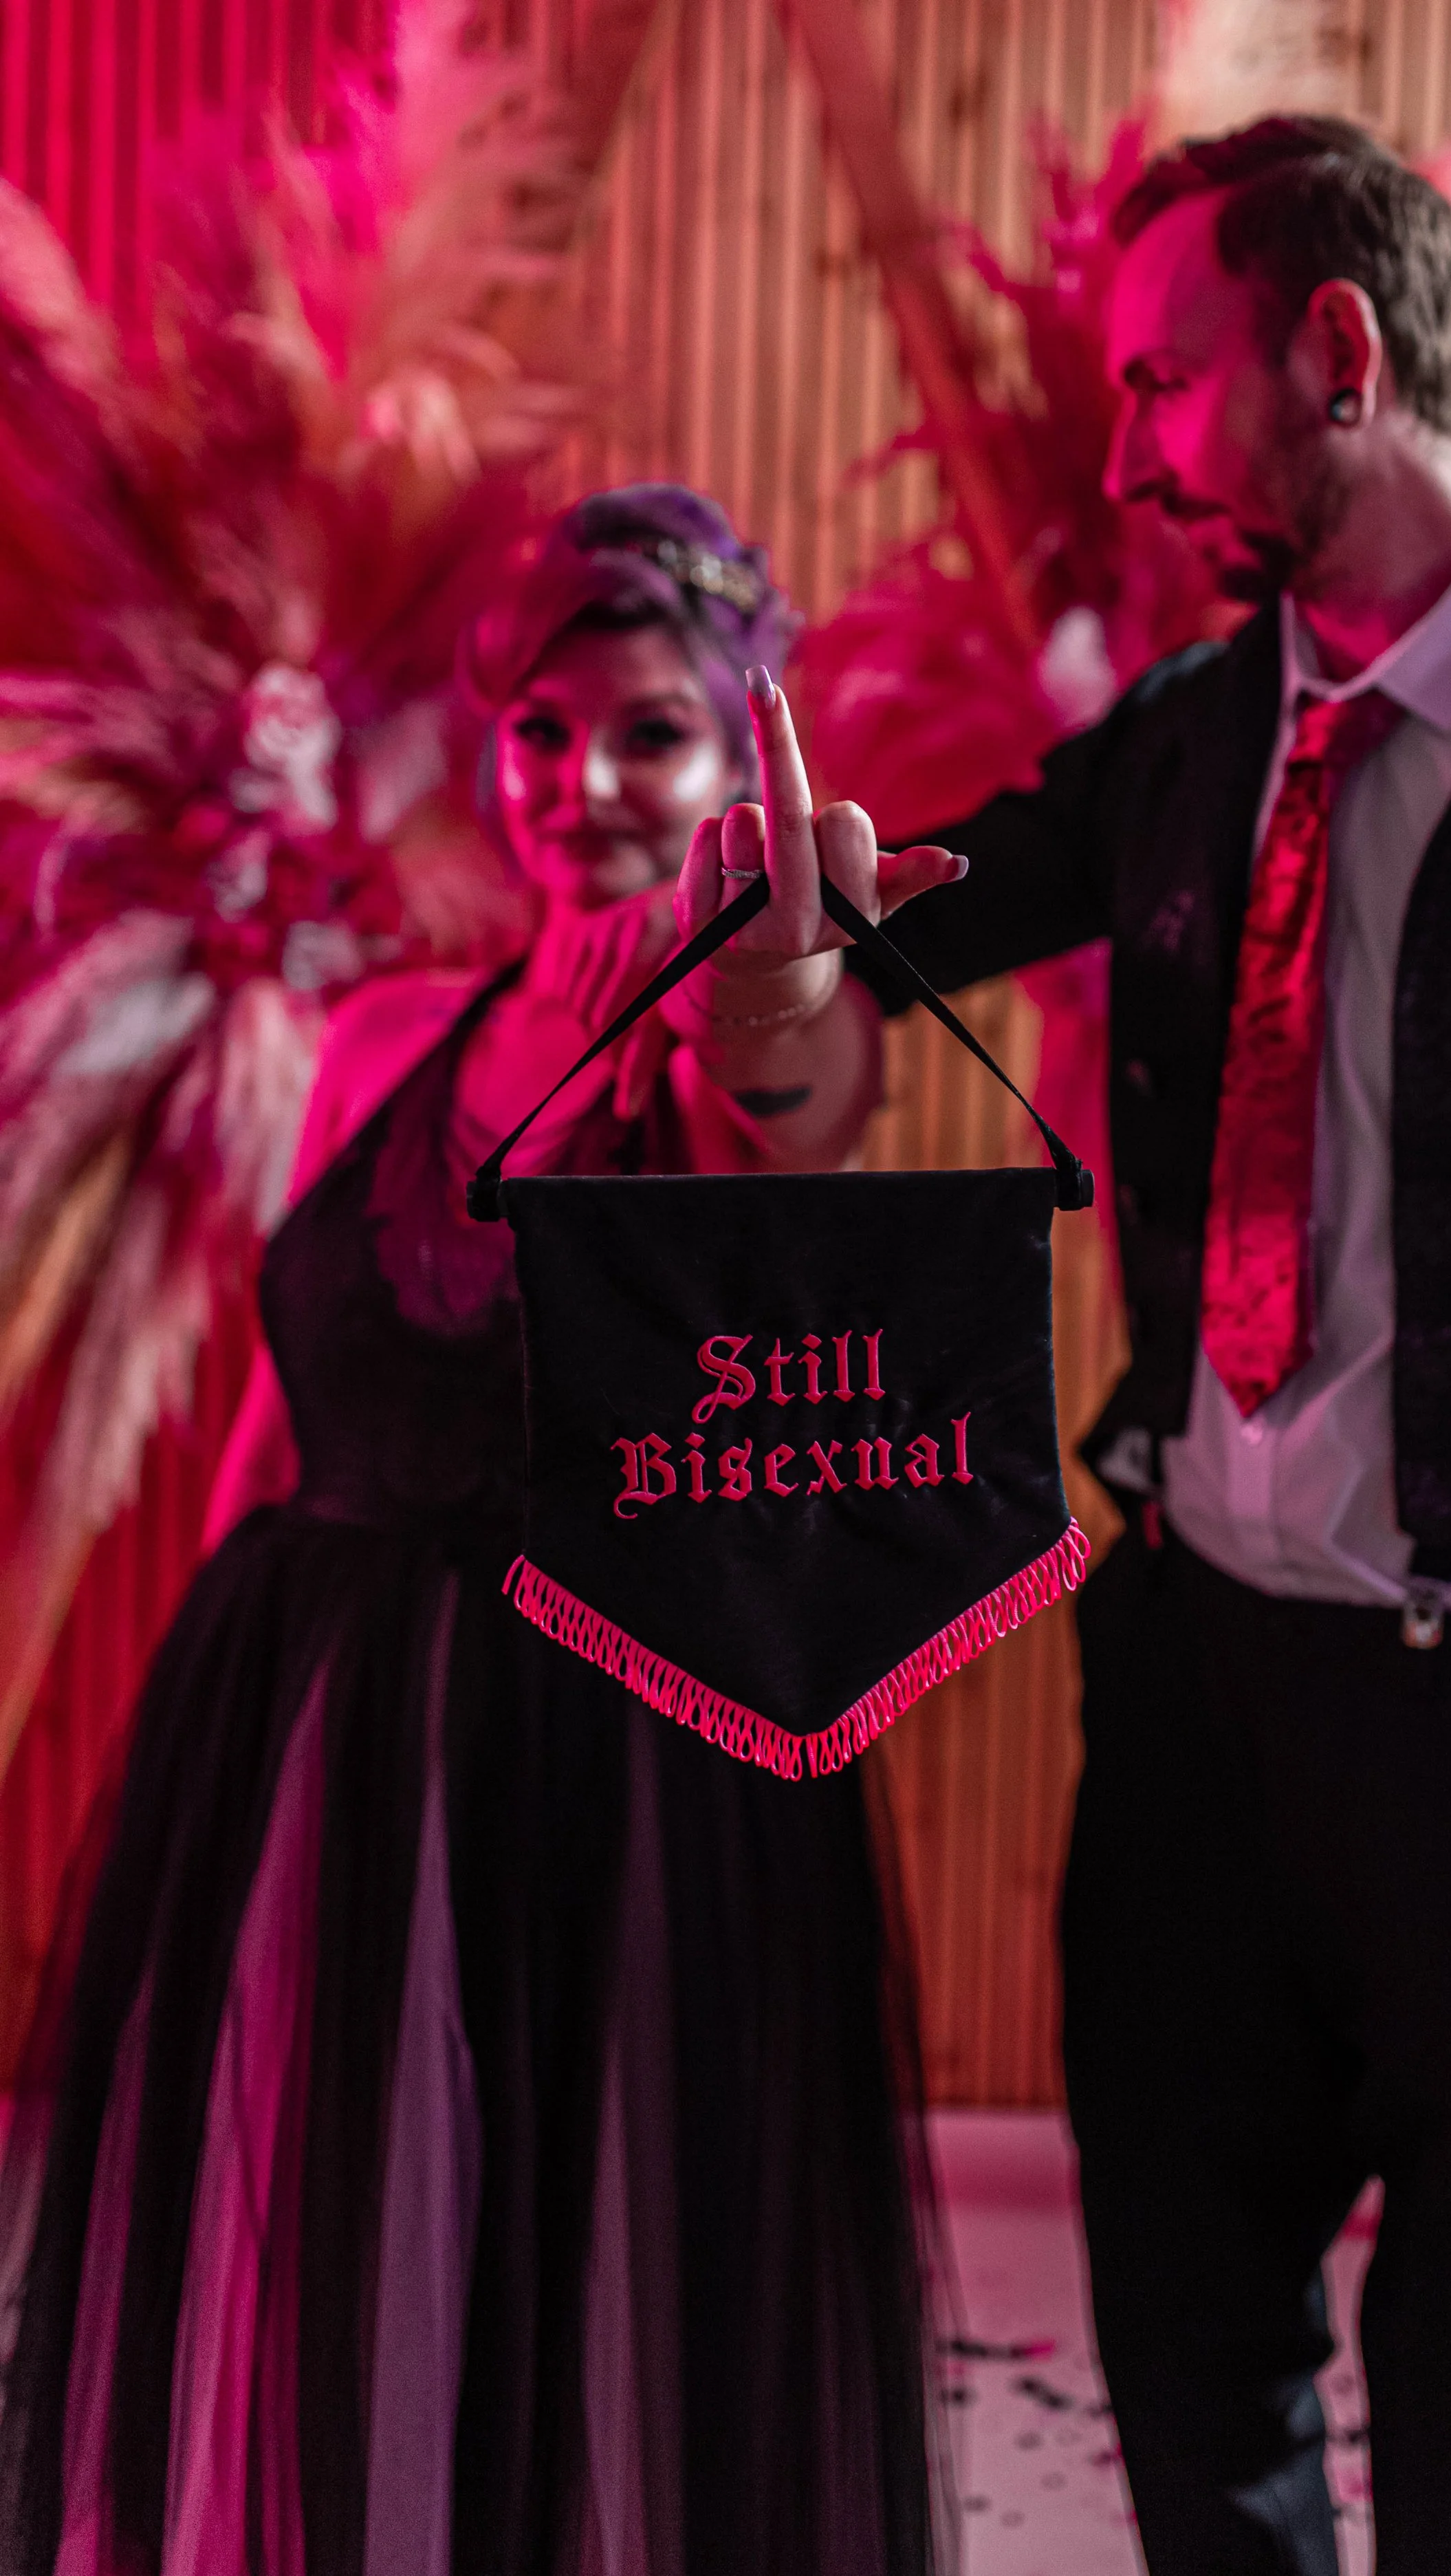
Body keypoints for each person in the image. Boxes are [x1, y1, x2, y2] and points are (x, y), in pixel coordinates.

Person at [688, 120, 1451, 2576]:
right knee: (1190, 2388)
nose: (1128, 446)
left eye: (1163, 384)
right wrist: (805, 931)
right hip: (1198, 1713)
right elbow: (898, 946)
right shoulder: (1176, 741)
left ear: (1335, 358)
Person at [0, 486, 952, 2575]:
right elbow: (291, 1403)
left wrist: (777, 961)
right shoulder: (367, 1036)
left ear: (733, 755)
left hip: (622, 1764)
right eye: (541, 731)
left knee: (604, 2298)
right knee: (358, 2299)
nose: (582, 783)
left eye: (647, 735)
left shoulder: (734, 1036)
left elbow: (800, 1095)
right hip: (328, 1758)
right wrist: (204, 1774)